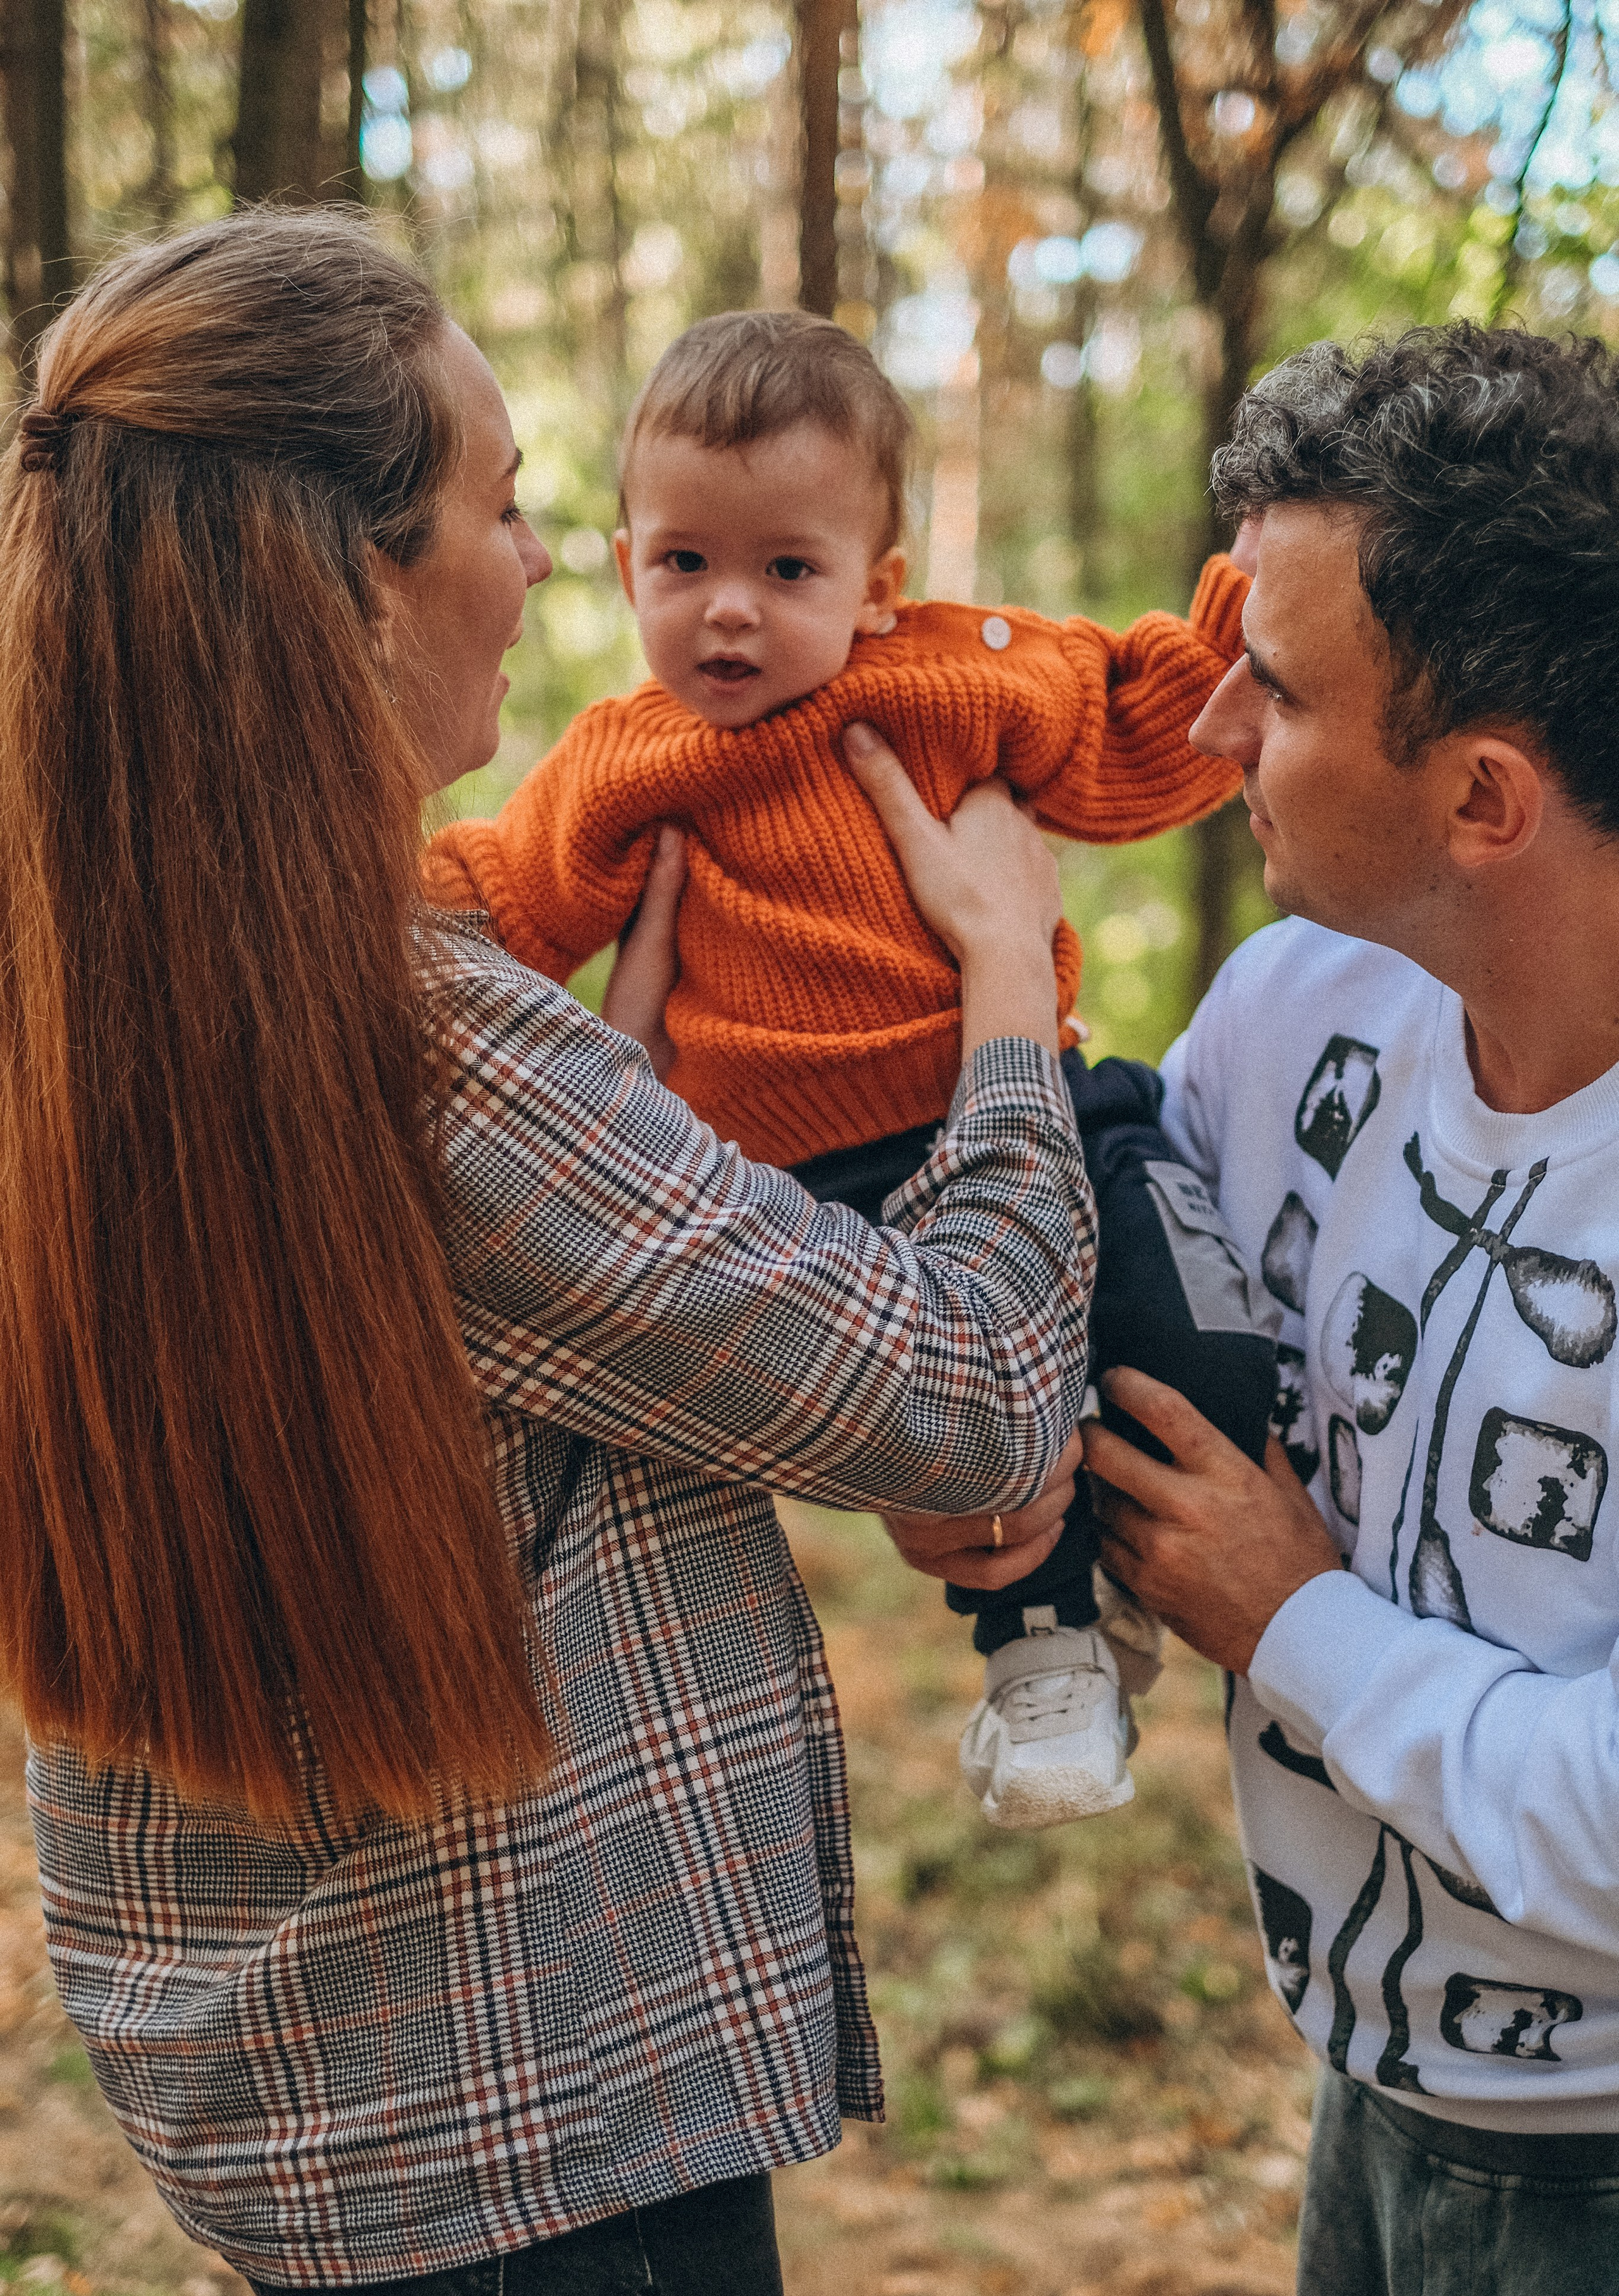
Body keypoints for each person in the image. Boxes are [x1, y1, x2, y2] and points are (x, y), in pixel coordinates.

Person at [0, 212, 1093, 2296]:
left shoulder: (70, 970)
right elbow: (974, 1400)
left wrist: (632, 1122)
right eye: (503, 506)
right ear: (350, 585)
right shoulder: (403, 1041)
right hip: (532, 2127)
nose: (537, 566)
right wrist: (1005, 994)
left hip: (303, 2079)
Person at [421, 307, 1271, 1829]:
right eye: (684, 564)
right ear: (625, 567)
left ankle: (1158, 1581)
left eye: (786, 570)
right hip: (824, 1190)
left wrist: (1244, 618)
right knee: (973, 1464)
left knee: (1189, 1345)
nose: (728, 614)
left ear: (877, 589)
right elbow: (498, 896)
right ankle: (1045, 1659)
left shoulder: (947, 679)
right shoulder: (619, 765)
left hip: (1035, 1105)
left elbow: (1132, 719)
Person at [1023, 324, 1619, 2296]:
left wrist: (1301, 1624)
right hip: (1368, 2115)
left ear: (1484, 794)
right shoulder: (1289, 1020)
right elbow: (1137, 1406)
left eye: (1273, 686)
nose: (1205, 723)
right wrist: (1026, 1516)